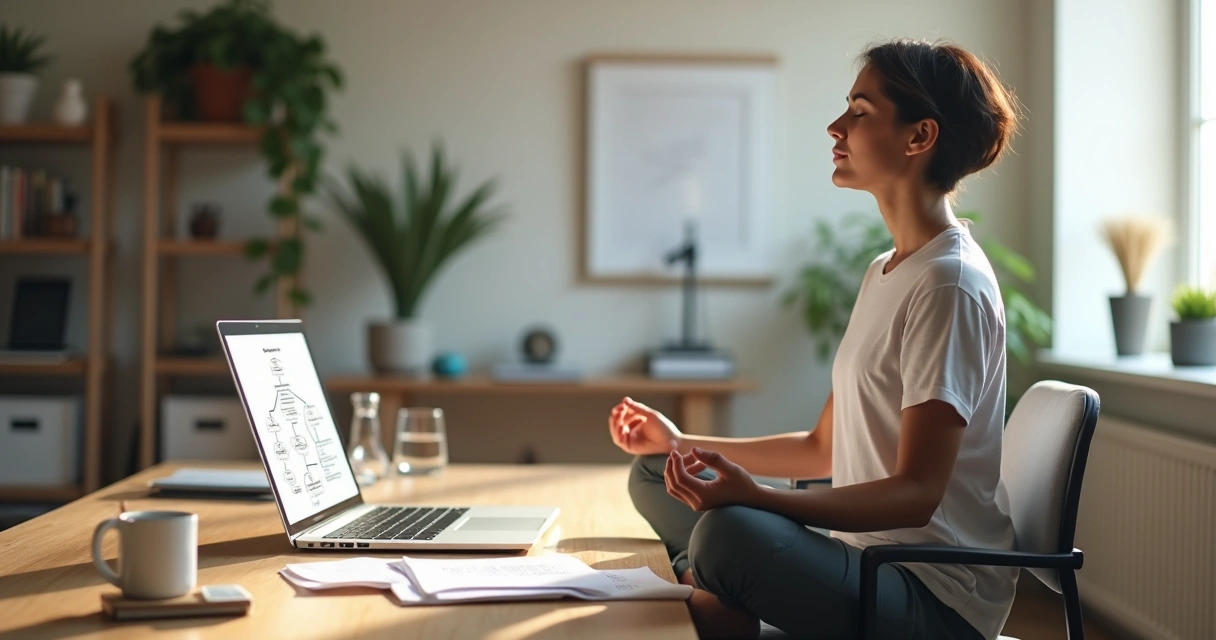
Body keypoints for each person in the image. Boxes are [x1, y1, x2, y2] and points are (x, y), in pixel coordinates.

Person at [608, 38, 1022, 640]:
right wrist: (679, 440)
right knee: (656, 468)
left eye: (860, 111)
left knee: (731, 532)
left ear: (919, 137)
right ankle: (716, 579)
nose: (836, 127)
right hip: (860, 559)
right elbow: (821, 448)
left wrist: (760, 500)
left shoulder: (947, 284)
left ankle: (715, 579)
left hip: (927, 595)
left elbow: (915, 495)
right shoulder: (887, 270)